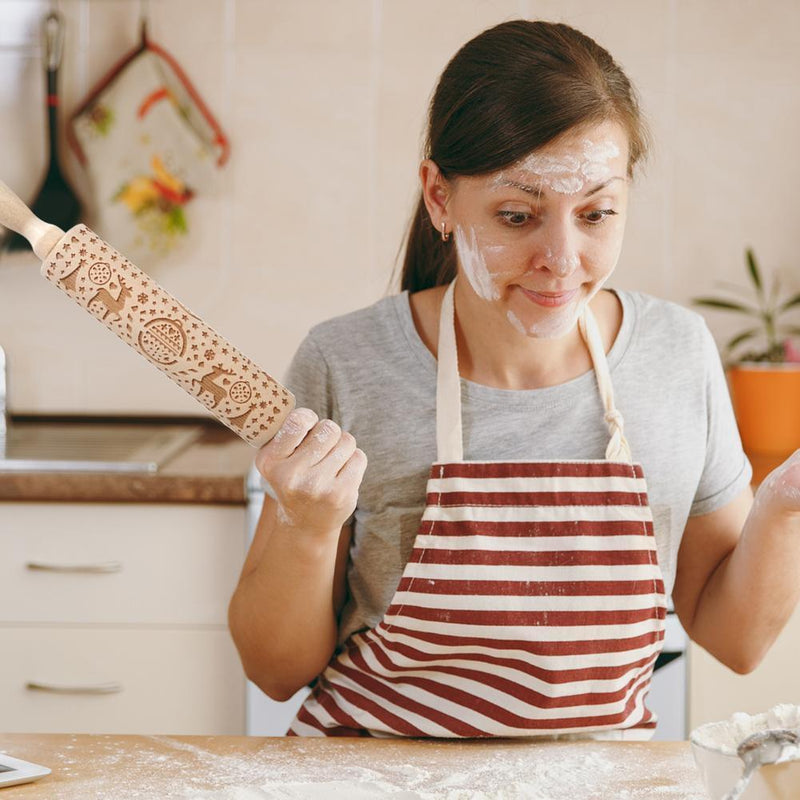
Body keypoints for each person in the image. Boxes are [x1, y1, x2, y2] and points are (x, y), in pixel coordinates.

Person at [228, 19, 800, 739]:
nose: (561, 259)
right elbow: (274, 670)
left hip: (600, 784)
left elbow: (735, 640)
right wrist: (306, 529)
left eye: (596, 213)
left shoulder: (677, 353)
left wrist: (783, 507)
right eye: (517, 215)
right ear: (440, 197)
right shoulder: (348, 362)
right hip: (377, 774)